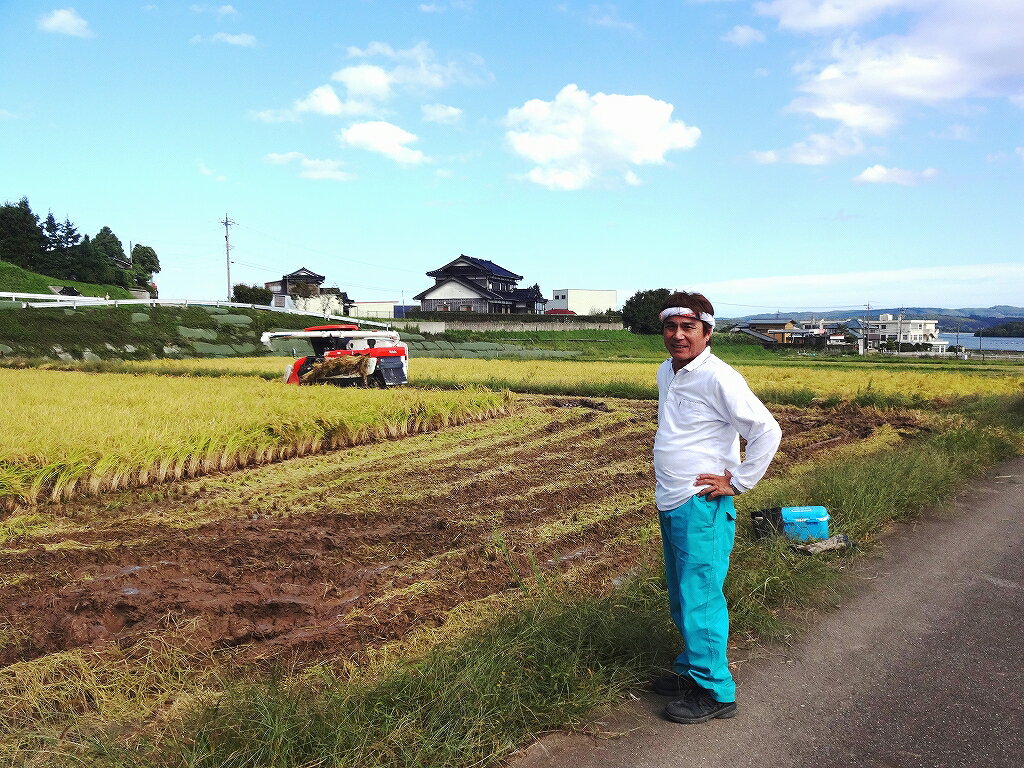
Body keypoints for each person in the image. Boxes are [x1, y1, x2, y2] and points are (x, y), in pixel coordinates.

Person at [651, 291, 781, 724]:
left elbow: (766, 430)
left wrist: (738, 481)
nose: (678, 335)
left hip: (701, 505)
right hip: (671, 499)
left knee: (701, 597)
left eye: (689, 327)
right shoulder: (666, 372)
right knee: (682, 595)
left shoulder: (719, 377)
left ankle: (716, 692)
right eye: (671, 326)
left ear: (707, 332)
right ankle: (692, 668)